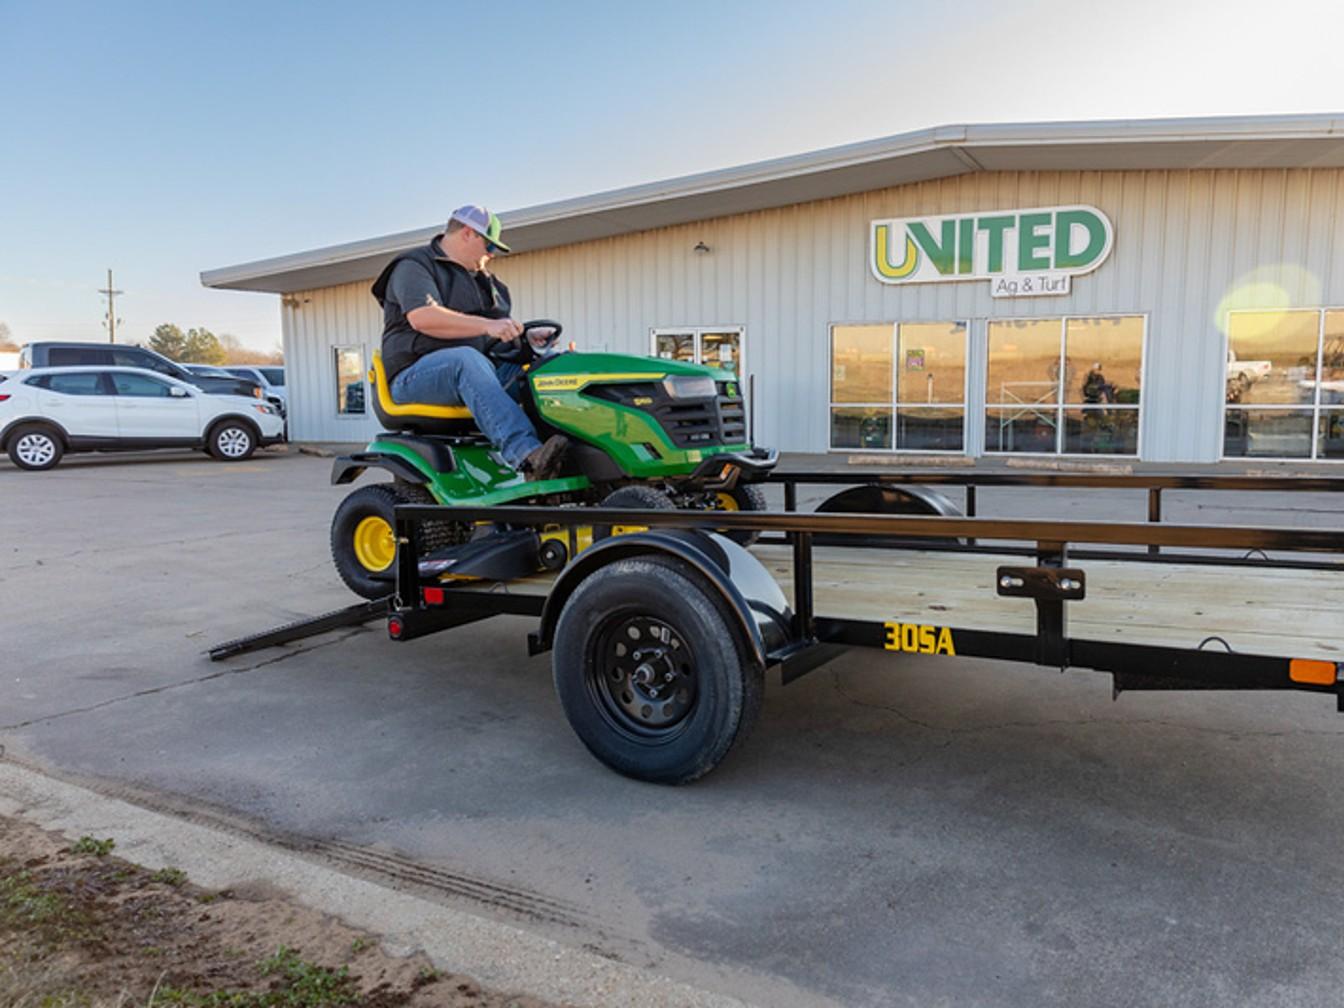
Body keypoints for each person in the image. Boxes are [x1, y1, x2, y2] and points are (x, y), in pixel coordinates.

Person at [370, 205, 568, 480]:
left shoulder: (490, 285)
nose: (491, 255)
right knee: (466, 360)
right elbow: (423, 318)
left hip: (477, 371)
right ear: (467, 233)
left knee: (551, 368)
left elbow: (495, 344)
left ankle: (581, 451)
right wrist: (489, 326)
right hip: (413, 377)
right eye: (489, 246)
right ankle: (527, 456)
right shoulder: (414, 266)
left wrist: (525, 342)